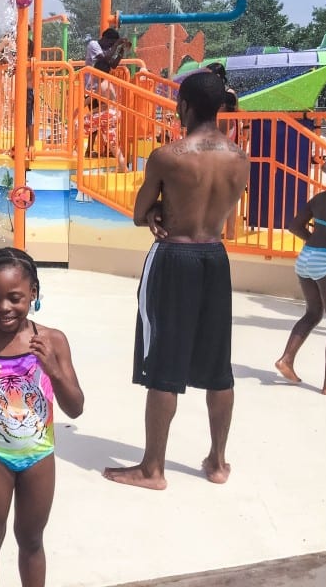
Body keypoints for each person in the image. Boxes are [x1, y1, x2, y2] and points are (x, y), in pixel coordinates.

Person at [103, 69, 248, 490]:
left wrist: (153, 213)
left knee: (164, 362)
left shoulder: (169, 156)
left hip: (175, 256)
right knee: (218, 365)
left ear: (183, 106)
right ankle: (218, 462)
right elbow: (224, 213)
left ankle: (153, 469)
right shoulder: (240, 158)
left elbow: (138, 212)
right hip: (214, 257)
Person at [0, 248, 83, 587]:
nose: (4, 308)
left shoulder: (52, 341)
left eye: (15, 298)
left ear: (33, 295)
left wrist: (52, 369)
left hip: (39, 458)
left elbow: (76, 407)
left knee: (31, 541)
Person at [274, 151, 326, 394]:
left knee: (313, 313)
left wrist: (314, 243)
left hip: (306, 259)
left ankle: (286, 359)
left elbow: (294, 226)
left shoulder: (319, 199)